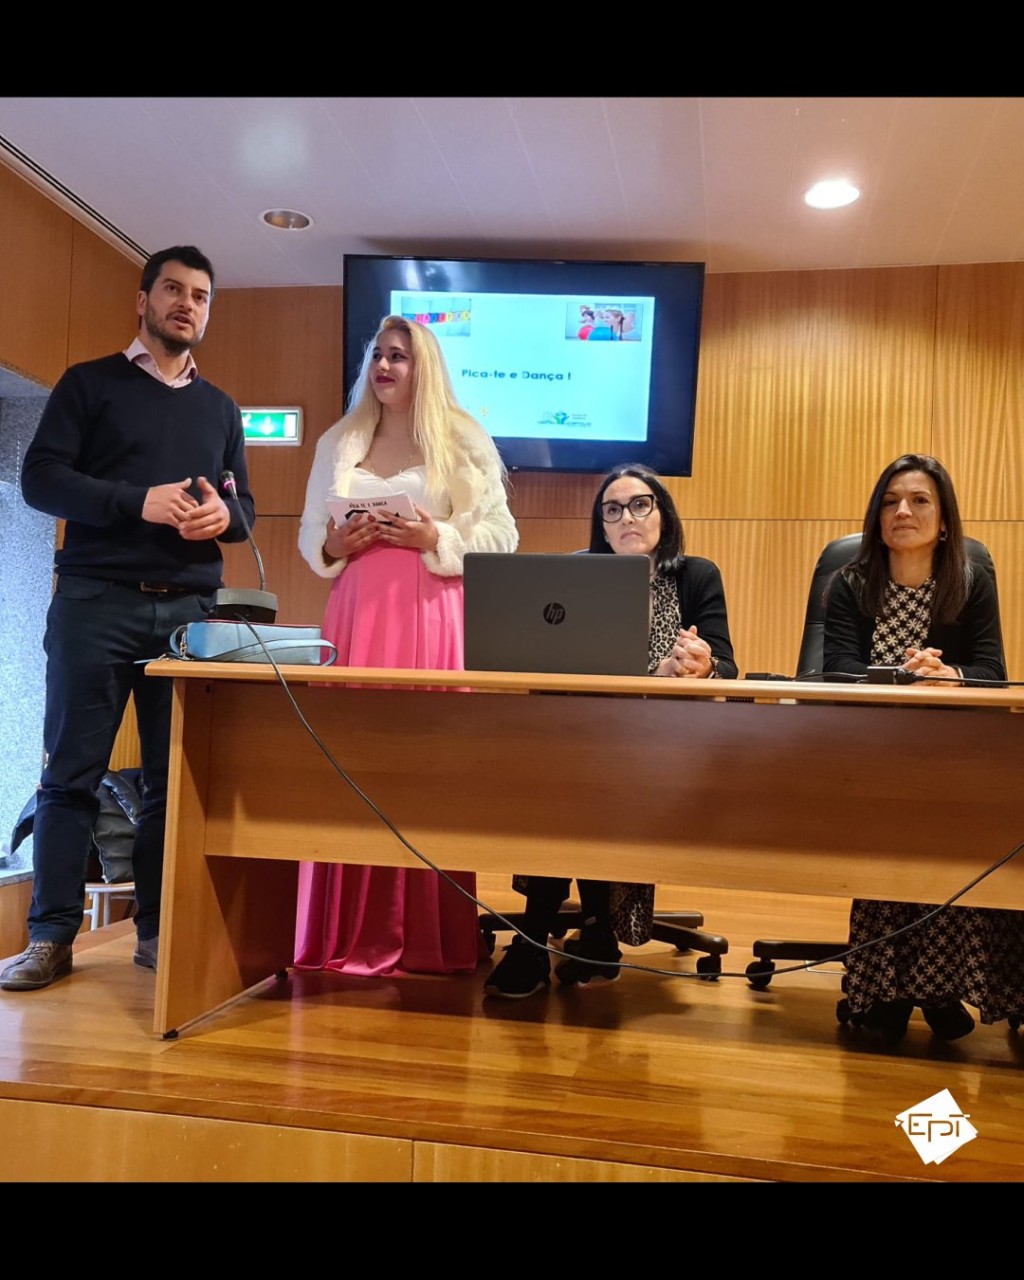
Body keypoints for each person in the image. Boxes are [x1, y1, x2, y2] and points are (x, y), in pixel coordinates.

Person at [1, 245, 255, 992]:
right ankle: (51, 937)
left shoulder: (221, 409)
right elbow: (40, 480)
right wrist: (135, 501)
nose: (187, 304)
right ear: (143, 301)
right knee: (69, 776)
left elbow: (241, 507)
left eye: (200, 296)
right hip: (96, 604)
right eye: (173, 290)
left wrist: (223, 517)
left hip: (188, 616)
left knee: (171, 784)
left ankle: (155, 930)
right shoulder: (88, 384)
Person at [295, 314, 518, 977]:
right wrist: (333, 544)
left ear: (425, 367)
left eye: (400, 356)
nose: (385, 366)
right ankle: (343, 935)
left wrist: (436, 538)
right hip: (356, 618)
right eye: (378, 355)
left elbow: (502, 536)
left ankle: (427, 935)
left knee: (427, 767)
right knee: (350, 763)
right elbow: (311, 534)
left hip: (431, 617)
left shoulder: (463, 439)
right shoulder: (339, 440)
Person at [484, 462, 737, 999]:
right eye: (613, 510)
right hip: (586, 745)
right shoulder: (575, 575)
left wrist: (702, 666)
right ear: (601, 524)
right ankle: (584, 933)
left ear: (663, 514)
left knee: (580, 782)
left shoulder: (695, 576)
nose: (628, 518)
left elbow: (728, 667)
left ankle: (541, 936)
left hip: (665, 749)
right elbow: (543, 663)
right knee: (569, 775)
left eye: (640, 504)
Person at [823, 452, 1024, 1039]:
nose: (902, 511)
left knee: (952, 831)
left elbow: (993, 671)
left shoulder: (971, 581)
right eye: (890, 502)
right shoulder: (850, 583)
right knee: (889, 829)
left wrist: (949, 675)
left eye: (918, 501)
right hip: (873, 749)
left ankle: (937, 988)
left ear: (943, 519)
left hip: (953, 750)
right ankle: (886, 991)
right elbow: (835, 671)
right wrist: (897, 679)